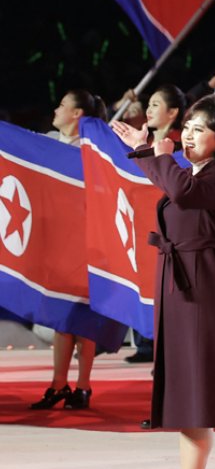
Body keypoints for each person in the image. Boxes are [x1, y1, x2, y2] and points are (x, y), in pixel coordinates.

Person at [110, 97, 215, 469]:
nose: (187, 135)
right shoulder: (190, 173)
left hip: (210, 291)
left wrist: (159, 154)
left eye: (198, 129)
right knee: (189, 401)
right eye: (186, 127)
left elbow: (182, 193)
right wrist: (144, 150)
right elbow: (173, 183)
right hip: (179, 289)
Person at [30, 90, 113, 410]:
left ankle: (83, 386)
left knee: (81, 320)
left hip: (86, 245)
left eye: (63, 105)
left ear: (77, 113)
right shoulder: (47, 142)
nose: (56, 109)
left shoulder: (95, 151)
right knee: (60, 317)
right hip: (54, 244)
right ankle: (58, 384)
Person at [125, 85, 188, 366]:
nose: (148, 110)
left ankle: (166, 350)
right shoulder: (145, 141)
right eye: (148, 104)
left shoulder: (181, 146)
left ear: (172, 112)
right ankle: (145, 341)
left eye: (155, 105)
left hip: (169, 228)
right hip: (142, 222)